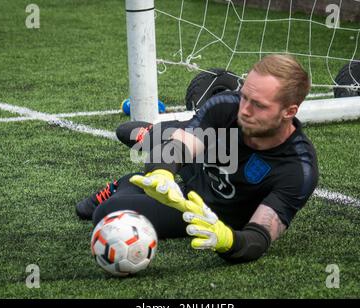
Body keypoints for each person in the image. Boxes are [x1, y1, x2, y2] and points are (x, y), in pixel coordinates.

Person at [76, 54, 318, 263]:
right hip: (198, 162)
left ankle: (127, 182)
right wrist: (162, 172)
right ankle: (161, 142)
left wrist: (227, 240)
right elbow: (178, 149)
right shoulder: (226, 106)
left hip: (202, 208)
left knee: (105, 213)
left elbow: (259, 237)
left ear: (289, 111)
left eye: (259, 105)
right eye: (244, 97)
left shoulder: (298, 170)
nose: (244, 109)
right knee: (130, 133)